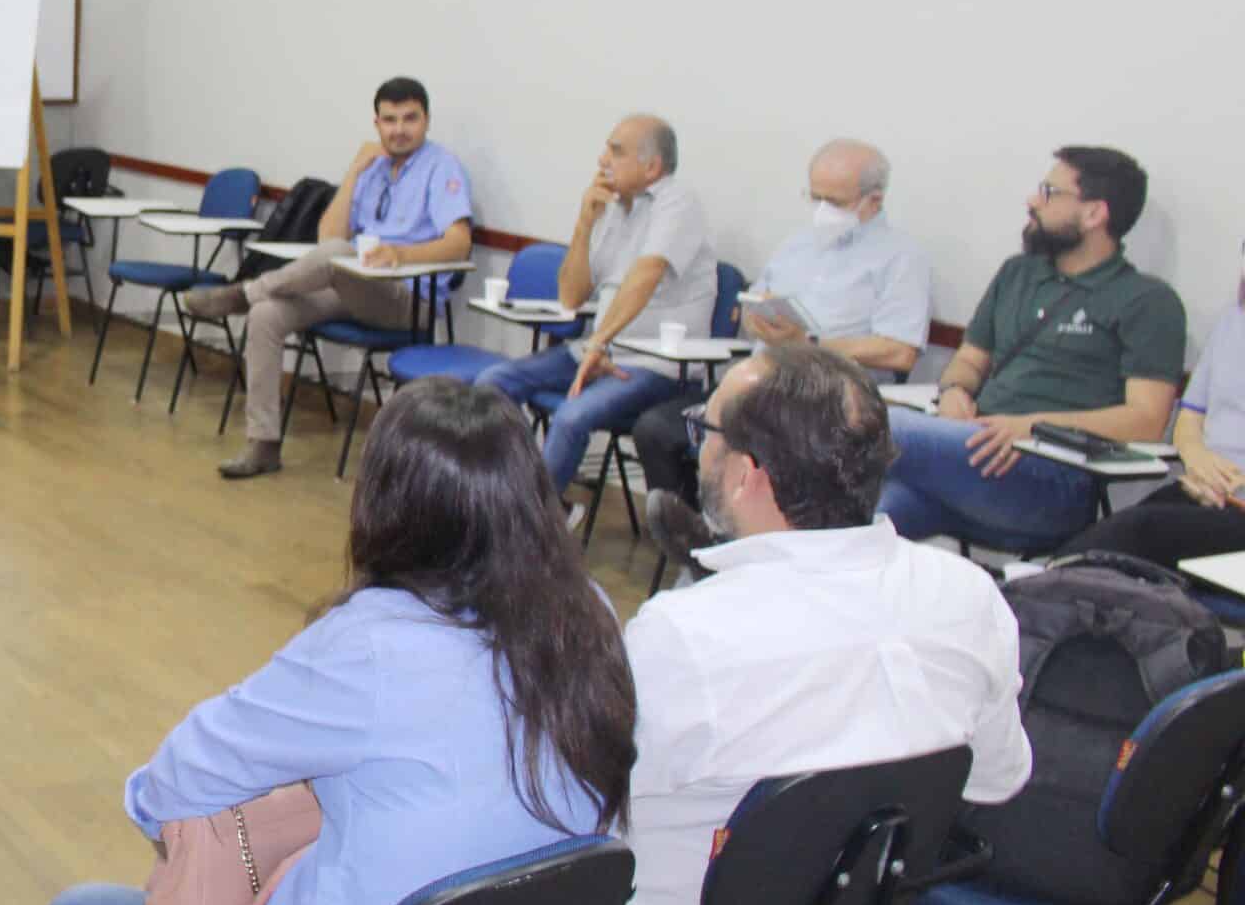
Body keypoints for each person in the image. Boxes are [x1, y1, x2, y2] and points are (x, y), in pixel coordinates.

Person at [32, 379, 637, 905]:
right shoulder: (592, 621)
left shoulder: (372, 646)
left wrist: (230, 831)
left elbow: (169, 784)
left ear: (387, 508)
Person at [622, 345, 1032, 905]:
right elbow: (996, 781)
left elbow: (588, 815)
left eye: (704, 430)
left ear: (744, 472)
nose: (694, 447)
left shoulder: (680, 633)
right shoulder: (970, 594)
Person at [635, 140, 930, 572]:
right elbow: (754, 301)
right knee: (657, 430)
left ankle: (743, 555)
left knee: (759, 454)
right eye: (816, 197)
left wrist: (809, 343)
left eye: (835, 200)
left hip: (823, 409)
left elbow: (900, 350)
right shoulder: (798, 245)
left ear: (874, 201)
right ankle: (706, 549)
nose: (823, 209)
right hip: (757, 389)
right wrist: (755, 318)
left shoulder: (902, 258)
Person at [876, 147, 1185, 552]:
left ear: (1094, 214)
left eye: (1049, 192)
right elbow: (969, 359)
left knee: (876, 425)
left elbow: (1145, 421)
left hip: (1050, 478)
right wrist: (955, 392)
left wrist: (1030, 426)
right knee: (852, 521)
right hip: (966, 458)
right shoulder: (1017, 273)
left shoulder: (1147, 301)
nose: (1032, 201)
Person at [181, 77, 474, 480]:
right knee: (267, 315)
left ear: (426, 121)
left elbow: (459, 243)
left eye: (410, 119)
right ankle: (263, 443)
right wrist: (354, 172)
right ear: (377, 123)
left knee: (334, 259)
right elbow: (328, 239)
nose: (399, 129)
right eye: (389, 120)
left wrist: (401, 255)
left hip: (408, 300)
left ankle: (243, 292)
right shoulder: (372, 169)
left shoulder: (441, 167)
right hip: (356, 287)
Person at [476, 115, 719, 516]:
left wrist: (601, 342)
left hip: (654, 365)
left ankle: (540, 521)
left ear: (652, 167)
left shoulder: (678, 202)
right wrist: (585, 222)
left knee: (572, 416)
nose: (602, 158)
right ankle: (517, 493)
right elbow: (571, 296)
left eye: (616, 151)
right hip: (596, 350)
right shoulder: (614, 208)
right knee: (491, 384)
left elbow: (645, 275)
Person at [1061, 239, 1245, 580]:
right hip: (1202, 491)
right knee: (1112, 542)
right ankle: (1039, 591)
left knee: (1136, 532)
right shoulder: (1233, 322)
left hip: (1237, 506)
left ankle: (1035, 592)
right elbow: (1191, 415)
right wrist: (1197, 458)